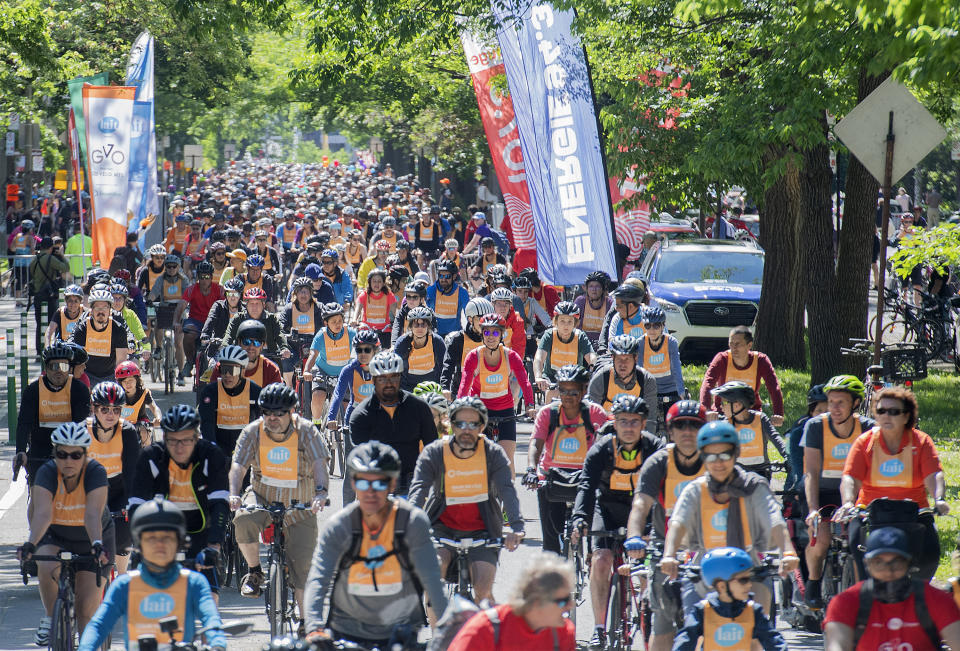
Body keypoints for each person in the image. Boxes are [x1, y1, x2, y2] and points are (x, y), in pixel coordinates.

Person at [303, 442, 447, 648]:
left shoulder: (412, 522)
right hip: (346, 633)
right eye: (363, 483)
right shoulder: (339, 527)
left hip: (401, 633)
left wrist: (449, 629)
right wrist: (314, 628)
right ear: (352, 484)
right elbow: (318, 579)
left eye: (379, 484)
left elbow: (432, 581)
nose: (370, 492)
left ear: (392, 484)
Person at [660, 422, 799, 617]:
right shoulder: (695, 489)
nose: (718, 462)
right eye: (710, 456)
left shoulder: (754, 487)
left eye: (725, 455)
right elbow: (678, 523)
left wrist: (788, 551)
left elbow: (774, 519)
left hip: (750, 572)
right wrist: (669, 555)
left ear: (736, 454)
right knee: (689, 632)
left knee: (762, 629)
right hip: (703, 572)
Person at [228, 383, 329, 632]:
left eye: (279, 413)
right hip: (263, 498)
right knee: (241, 518)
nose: (272, 418)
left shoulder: (306, 432)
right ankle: (254, 572)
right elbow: (238, 467)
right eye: (267, 413)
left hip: (301, 506)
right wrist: (234, 495)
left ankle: (306, 624)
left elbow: (319, 465)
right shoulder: (253, 432)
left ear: (292, 411)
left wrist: (321, 493)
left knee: (303, 569)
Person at [409, 397, 525, 604]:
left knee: (483, 590)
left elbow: (506, 489)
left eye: (473, 424)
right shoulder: (435, 452)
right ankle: (439, 635)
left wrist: (516, 527)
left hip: (484, 531)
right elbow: (419, 490)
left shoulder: (493, 453)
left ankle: (490, 629)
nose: (466, 429)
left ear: (482, 426)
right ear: (451, 424)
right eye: (460, 423)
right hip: (441, 529)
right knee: (433, 580)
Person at [570, 394, 664, 648]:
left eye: (635, 421)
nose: (629, 427)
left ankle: (649, 620)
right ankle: (599, 628)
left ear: (644, 424)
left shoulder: (655, 448)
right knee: (601, 561)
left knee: (647, 569)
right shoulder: (601, 449)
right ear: (615, 423)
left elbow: (666, 489)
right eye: (623, 421)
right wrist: (580, 518)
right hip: (607, 509)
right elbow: (587, 486)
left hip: (643, 512)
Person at [77, 498, 225, 651]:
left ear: (180, 542)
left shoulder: (194, 582)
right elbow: (99, 625)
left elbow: (211, 619)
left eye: (167, 537)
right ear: (139, 543)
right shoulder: (125, 586)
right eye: (151, 538)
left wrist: (217, 643)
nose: (159, 544)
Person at [834, 386, 947, 582]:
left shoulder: (921, 442)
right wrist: (848, 503)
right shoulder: (865, 443)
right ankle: (866, 597)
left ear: (906, 416)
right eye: (881, 411)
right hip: (870, 514)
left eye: (894, 411)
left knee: (930, 554)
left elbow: (934, 474)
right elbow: (850, 478)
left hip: (914, 514)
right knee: (858, 551)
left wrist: (939, 499)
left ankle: (918, 597)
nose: (886, 415)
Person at [17, 422, 113, 646]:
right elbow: (42, 514)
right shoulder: (47, 472)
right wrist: (30, 544)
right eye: (62, 454)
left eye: (76, 455)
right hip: (57, 534)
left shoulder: (96, 472)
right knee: (46, 565)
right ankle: (51, 618)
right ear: (55, 453)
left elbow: (92, 515)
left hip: (93, 537)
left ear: (85, 454)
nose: (69, 461)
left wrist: (98, 544)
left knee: (85, 611)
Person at [624, 400, 707, 651]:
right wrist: (635, 536)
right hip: (665, 550)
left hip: (709, 549)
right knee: (664, 623)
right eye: (680, 425)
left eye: (694, 426)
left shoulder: (716, 461)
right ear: (670, 431)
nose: (687, 431)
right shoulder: (658, 462)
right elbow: (640, 505)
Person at [128, 405, 230, 601]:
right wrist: (139, 540)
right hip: (161, 530)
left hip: (202, 530)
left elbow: (220, 504)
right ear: (164, 437)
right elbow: (136, 504)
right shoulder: (151, 457)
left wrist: (214, 545)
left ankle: (209, 630)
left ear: (196, 437)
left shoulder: (211, 455)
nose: (179, 447)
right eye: (172, 440)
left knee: (209, 597)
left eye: (186, 440)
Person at [801, 375, 874, 608]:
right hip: (821, 492)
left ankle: (860, 591)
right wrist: (812, 509)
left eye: (840, 402)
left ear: (855, 403)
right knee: (820, 540)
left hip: (856, 496)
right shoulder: (815, 426)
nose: (834, 408)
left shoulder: (868, 428)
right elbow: (810, 472)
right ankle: (813, 582)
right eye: (830, 402)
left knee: (858, 543)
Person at [824, 526, 960, 651]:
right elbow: (837, 645)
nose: (888, 570)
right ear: (867, 564)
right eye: (879, 562)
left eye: (897, 562)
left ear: (909, 563)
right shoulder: (846, 602)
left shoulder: (936, 600)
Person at [524, 365, 607, 554]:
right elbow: (536, 445)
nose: (568, 396)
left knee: (598, 543)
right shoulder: (548, 413)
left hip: (585, 481)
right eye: (563, 390)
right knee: (551, 546)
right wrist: (531, 469)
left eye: (573, 391)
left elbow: (607, 447)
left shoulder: (596, 413)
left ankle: (591, 561)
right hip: (551, 480)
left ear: (584, 390)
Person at [349, 351, 439, 499]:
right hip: (376, 486)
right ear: (373, 380)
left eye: (393, 377)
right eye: (382, 378)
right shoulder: (360, 416)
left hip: (413, 485)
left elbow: (433, 448)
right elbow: (361, 461)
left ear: (400, 377)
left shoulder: (419, 408)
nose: (389, 383)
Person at [14, 343, 91, 514]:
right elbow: (24, 424)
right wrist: (21, 451)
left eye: (63, 366)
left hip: (71, 449)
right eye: (53, 366)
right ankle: (34, 539)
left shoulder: (79, 390)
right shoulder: (32, 391)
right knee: (36, 497)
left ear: (70, 368)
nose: (59, 371)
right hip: (39, 450)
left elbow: (83, 425)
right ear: (46, 368)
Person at [446, 551, 577, 650]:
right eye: (563, 601)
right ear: (537, 602)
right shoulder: (484, 630)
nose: (570, 605)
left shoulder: (563, 632)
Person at [458, 313, 536, 472]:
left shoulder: (511, 356)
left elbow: (524, 382)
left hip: (505, 410)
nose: (491, 337)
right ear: (482, 334)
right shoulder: (473, 356)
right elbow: (465, 385)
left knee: (507, 462)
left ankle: (508, 494)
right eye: (486, 332)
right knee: (475, 459)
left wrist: (530, 405)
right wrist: (459, 407)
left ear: (501, 334)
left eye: (495, 332)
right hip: (479, 411)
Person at [673, 547, 787, 651]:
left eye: (750, 579)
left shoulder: (753, 611)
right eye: (743, 580)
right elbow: (684, 642)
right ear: (722, 586)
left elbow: (774, 642)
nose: (749, 585)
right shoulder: (702, 611)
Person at [86, 381, 141, 572]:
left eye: (116, 410)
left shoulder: (127, 431)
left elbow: (133, 472)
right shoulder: (82, 430)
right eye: (105, 409)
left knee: (123, 534)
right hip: (90, 490)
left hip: (118, 488)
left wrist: (130, 503)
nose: (111, 415)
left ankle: (122, 577)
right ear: (94, 408)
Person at [699, 326, 784, 427]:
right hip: (723, 414)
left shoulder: (761, 361)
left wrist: (778, 413)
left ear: (749, 345)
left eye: (738, 344)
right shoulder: (722, 359)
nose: (734, 348)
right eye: (731, 343)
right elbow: (707, 384)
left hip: (751, 413)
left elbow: (774, 388)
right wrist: (707, 410)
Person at [711, 381, 786, 478]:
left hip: (761, 474)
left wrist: (789, 457)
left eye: (724, 402)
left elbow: (777, 440)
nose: (721, 406)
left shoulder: (760, 419)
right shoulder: (725, 423)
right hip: (735, 476)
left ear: (737, 405)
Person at [198, 345, 262, 454]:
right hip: (219, 447)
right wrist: (213, 449)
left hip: (247, 450)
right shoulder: (210, 392)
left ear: (242, 371)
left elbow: (262, 424)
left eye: (233, 370)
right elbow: (207, 424)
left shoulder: (255, 392)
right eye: (224, 369)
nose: (227, 375)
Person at [532, 301, 596, 403]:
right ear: (556, 321)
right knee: (551, 394)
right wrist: (538, 377)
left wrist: (593, 369)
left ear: (575, 323)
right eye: (562, 321)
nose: (566, 325)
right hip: (552, 379)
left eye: (570, 322)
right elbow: (539, 358)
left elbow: (591, 356)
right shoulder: (549, 335)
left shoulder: (580, 336)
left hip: (574, 379)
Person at [68, 288, 130, 386]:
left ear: (110, 311)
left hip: (110, 376)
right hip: (86, 374)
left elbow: (120, 362)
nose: (101, 311)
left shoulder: (119, 330)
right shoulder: (82, 329)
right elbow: (77, 362)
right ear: (91, 311)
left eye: (105, 307)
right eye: (97, 307)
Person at [586, 334, 659, 416]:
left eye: (627, 359)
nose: (623, 364)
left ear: (635, 359)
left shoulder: (646, 380)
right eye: (619, 358)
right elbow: (589, 417)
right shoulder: (601, 377)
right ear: (612, 358)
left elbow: (650, 419)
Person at [637, 306, 685, 425]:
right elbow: (638, 371)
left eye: (656, 326)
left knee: (675, 423)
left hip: (670, 389)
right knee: (648, 423)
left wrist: (681, 392)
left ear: (663, 326)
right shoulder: (640, 343)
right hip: (650, 389)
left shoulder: (671, 342)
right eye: (648, 326)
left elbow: (676, 369)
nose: (652, 330)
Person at [440, 297, 494, 399]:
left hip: (488, 390)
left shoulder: (494, 338)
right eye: (481, 318)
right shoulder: (458, 339)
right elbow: (448, 365)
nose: (485, 322)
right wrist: (445, 387)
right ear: (470, 319)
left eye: (488, 318)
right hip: (461, 392)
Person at [181, 260, 224, 384]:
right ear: (198, 277)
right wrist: (176, 322)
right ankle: (189, 362)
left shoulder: (219, 290)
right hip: (195, 321)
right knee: (188, 335)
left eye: (207, 277)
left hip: (213, 323)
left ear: (211, 277)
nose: (204, 280)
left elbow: (225, 307)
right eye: (201, 277)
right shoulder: (191, 289)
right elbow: (181, 306)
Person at [279, 276, 325, 386]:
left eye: (306, 291)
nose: (303, 295)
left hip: (315, 347)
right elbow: (280, 327)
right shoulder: (289, 309)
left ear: (311, 293)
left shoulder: (319, 307)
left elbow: (327, 325)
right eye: (300, 291)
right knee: (285, 358)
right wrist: (287, 335)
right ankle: (289, 387)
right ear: (295, 293)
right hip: (294, 347)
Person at [29, 236, 69, 353]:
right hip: (49, 295)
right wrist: (61, 255)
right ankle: (56, 348)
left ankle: (39, 349)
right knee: (55, 322)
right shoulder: (50, 259)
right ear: (51, 248)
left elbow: (32, 273)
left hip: (37, 295)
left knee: (39, 324)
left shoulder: (34, 260)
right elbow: (65, 267)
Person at [394, 306, 447, 391]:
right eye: (416, 324)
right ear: (410, 327)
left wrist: (444, 388)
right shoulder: (402, 343)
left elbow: (444, 368)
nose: (420, 328)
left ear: (428, 326)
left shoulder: (437, 341)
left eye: (424, 324)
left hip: (432, 387)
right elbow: (395, 371)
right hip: (408, 387)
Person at [115, 361, 161, 446]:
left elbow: (154, 407)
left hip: (141, 421)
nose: (128, 384)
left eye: (130, 380)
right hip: (122, 423)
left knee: (144, 433)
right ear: (120, 383)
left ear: (137, 379)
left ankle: (147, 453)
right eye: (124, 381)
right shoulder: (117, 395)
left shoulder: (143, 392)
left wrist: (158, 417)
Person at [427, 258, 470, 337]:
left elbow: (469, 315)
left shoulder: (462, 293)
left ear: (454, 276)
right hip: (435, 335)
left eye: (447, 276)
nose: (443, 279)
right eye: (441, 276)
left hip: (455, 336)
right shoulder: (431, 291)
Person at [354, 267, 397, 348]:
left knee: (387, 353)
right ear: (369, 282)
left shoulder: (389, 295)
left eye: (379, 281)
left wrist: (398, 321)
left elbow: (395, 312)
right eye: (374, 281)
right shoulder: (365, 294)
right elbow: (358, 308)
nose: (376, 284)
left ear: (384, 283)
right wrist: (354, 320)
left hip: (385, 330)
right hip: (367, 330)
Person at [575, 271, 612, 344]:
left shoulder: (609, 303)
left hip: (603, 345)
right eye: (591, 286)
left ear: (603, 289)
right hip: (582, 344)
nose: (594, 289)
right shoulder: (581, 301)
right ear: (586, 288)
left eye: (597, 286)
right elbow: (573, 323)